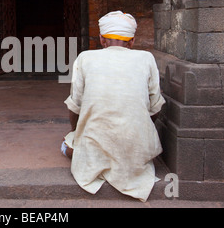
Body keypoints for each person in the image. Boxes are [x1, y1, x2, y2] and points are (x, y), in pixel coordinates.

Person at [61, 11, 165, 202]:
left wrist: (75, 132)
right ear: (132, 41)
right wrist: (141, 127)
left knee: (66, 146)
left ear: (102, 39)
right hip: (135, 146)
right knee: (137, 147)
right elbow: (155, 107)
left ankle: (90, 157)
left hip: (94, 142)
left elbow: (75, 106)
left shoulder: (85, 58)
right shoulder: (146, 58)